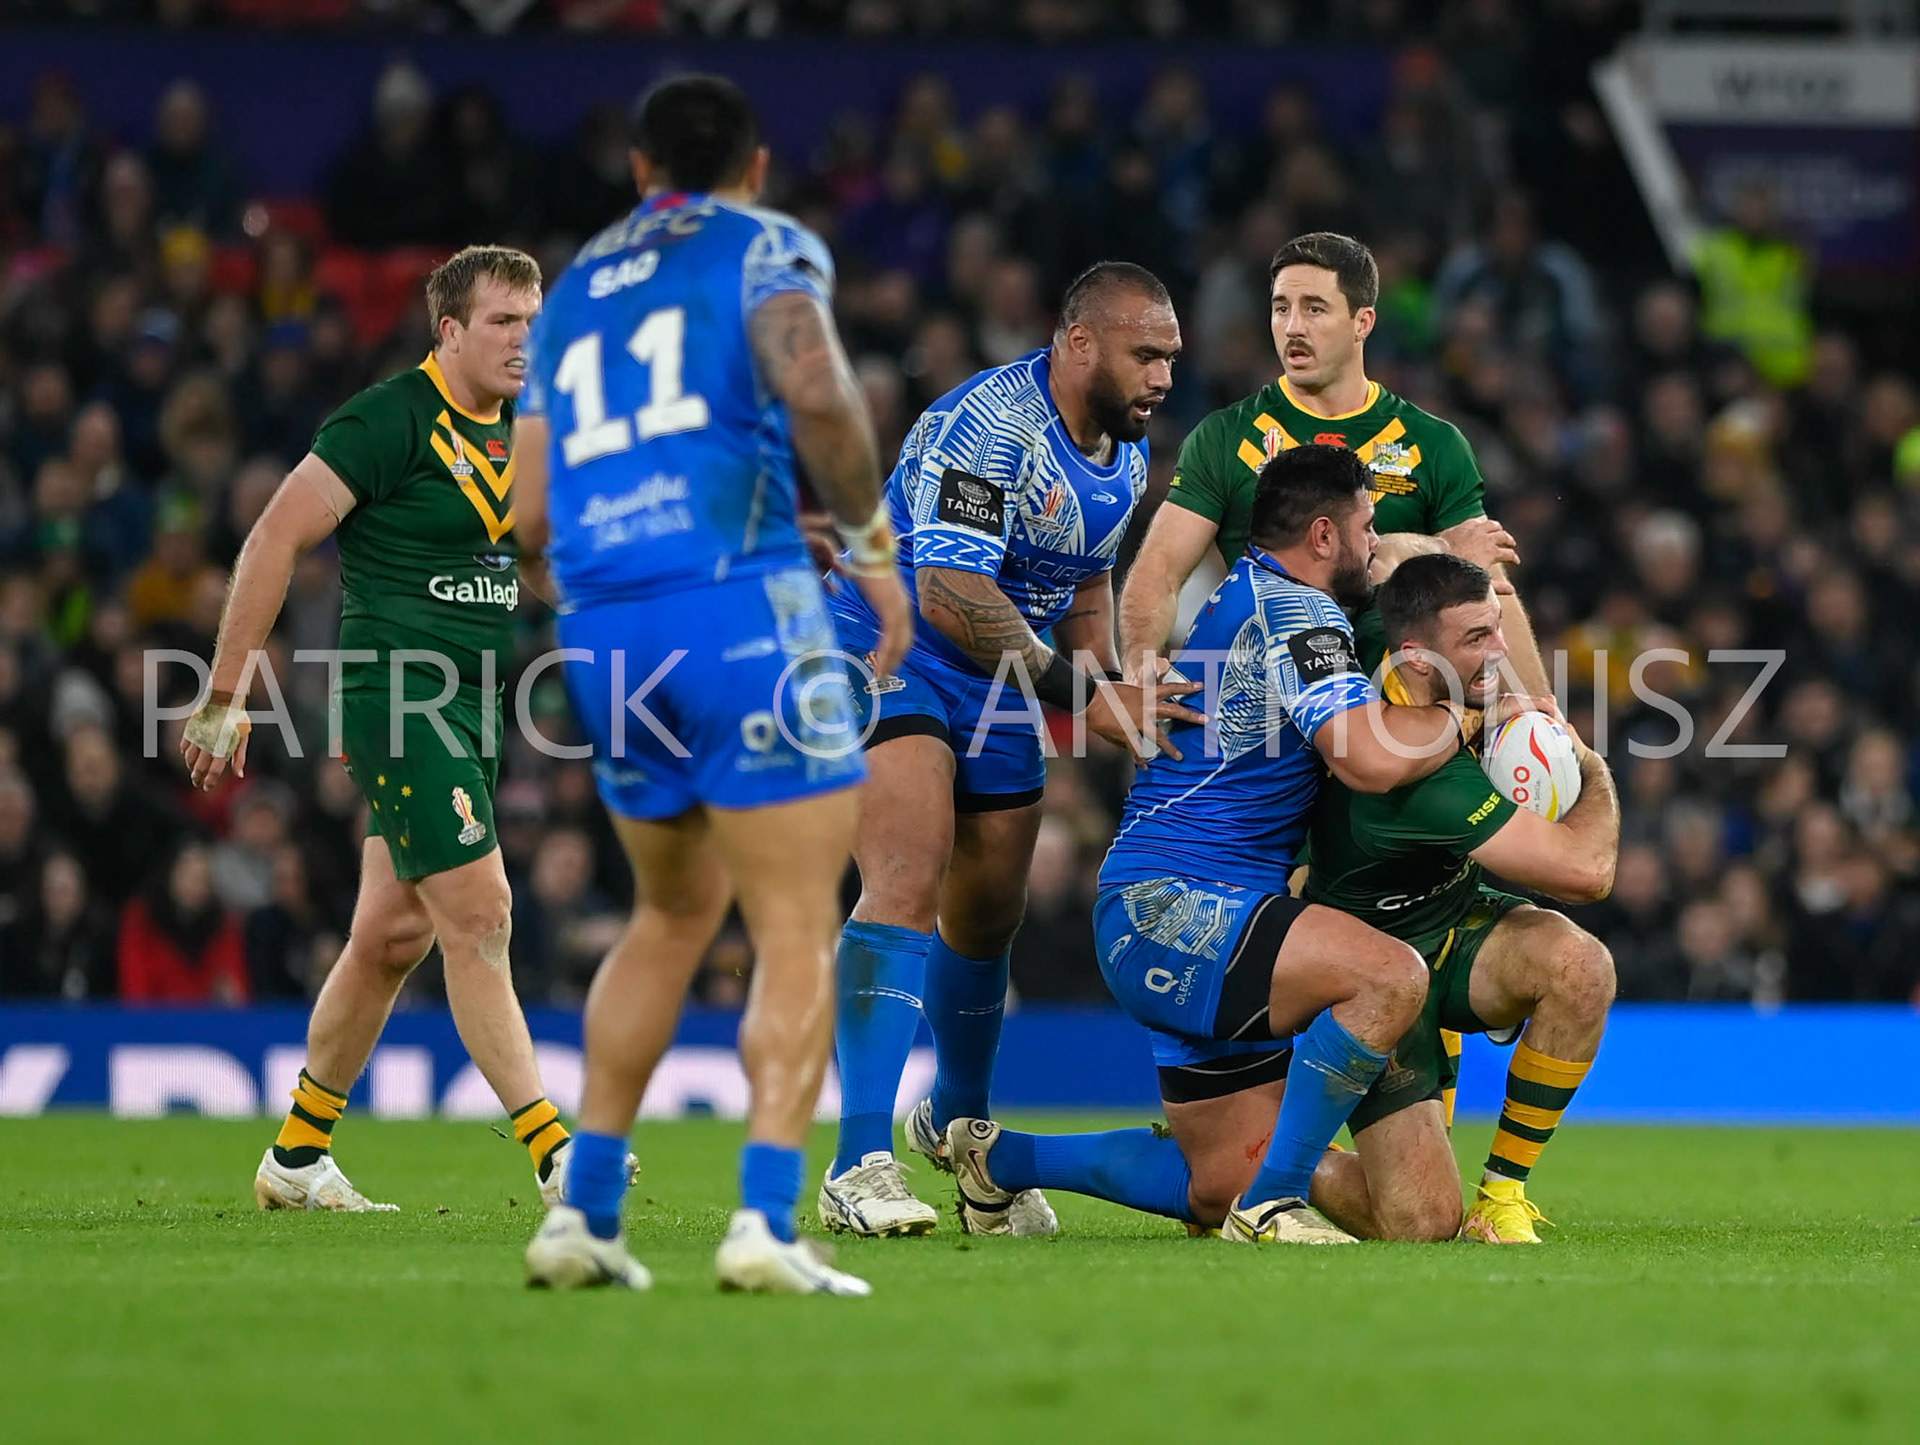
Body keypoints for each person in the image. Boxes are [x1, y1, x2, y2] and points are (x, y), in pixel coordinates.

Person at [516, 75, 913, 1296]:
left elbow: (526, 511)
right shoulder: (765, 245)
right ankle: (763, 1223)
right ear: (754, 164)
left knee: (668, 916)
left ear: (640, 170)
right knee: (791, 923)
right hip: (740, 607)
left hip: (604, 632)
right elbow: (815, 392)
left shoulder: (574, 286)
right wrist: (871, 547)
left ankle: (582, 1216)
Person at [945, 445, 1537, 1243]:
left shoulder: (1261, 591)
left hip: (1199, 904)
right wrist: (1457, 716)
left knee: (1232, 1185)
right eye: (1366, 527)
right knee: (1390, 977)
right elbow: (1362, 758)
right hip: (1180, 901)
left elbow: (1388, 575)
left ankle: (1000, 1161)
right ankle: (1276, 1202)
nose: (1374, 544)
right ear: (1323, 536)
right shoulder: (1298, 614)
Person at [180, 246, 583, 1214]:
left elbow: (535, 563)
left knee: (389, 935)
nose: (523, 339)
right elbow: (277, 532)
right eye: (502, 322)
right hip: (399, 697)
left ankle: (297, 1155)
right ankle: (560, 1151)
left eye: (532, 321)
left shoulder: (524, 436)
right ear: (448, 330)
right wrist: (226, 691)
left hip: (477, 702)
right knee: (482, 915)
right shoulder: (387, 418)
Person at [817, 261, 1199, 1240]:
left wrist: (1113, 687)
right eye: (1145, 353)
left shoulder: (1120, 453)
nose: (1162, 375)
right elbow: (950, 589)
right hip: (887, 642)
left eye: (1170, 357)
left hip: (998, 677)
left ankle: (959, 1129)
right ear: (1080, 343)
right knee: (906, 870)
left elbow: (1079, 586)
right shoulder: (988, 429)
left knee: (990, 913)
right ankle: (858, 1160)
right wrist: (1083, 694)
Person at [1300, 553, 1620, 1244]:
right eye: (1477, 637)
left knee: (1581, 966)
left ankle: (1502, 1195)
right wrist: (1589, 764)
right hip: (1371, 973)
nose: (1500, 650)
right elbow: (1588, 873)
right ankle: (1253, 1144)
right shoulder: (1411, 773)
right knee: (1418, 1224)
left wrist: (1462, 541)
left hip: (1451, 925)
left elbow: (1392, 554)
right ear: (1418, 656)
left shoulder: (1398, 656)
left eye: (1496, 628)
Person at [1117, 230, 1546, 693]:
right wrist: (1140, 662)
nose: (1293, 327)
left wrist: (1540, 705)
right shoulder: (1225, 437)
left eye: (1314, 309)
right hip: (1267, 711)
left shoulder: (1433, 443)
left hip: (1399, 704)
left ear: (1363, 322)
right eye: (1282, 308)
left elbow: (1487, 588)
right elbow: (1160, 568)